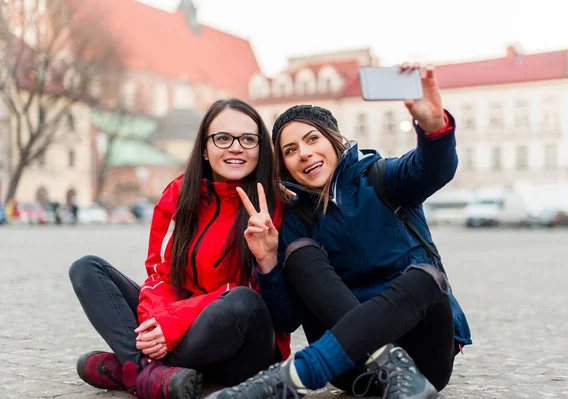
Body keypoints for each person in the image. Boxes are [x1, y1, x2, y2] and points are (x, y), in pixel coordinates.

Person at [208, 64, 472, 399]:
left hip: (423, 365)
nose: (304, 153)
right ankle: (373, 363)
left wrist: (434, 131)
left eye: (312, 139)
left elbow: (433, 169)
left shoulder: (382, 179)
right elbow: (286, 319)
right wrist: (269, 261)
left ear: (334, 141)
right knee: (300, 253)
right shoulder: (293, 220)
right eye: (290, 150)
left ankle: (289, 379)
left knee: (427, 278)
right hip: (351, 366)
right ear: (284, 164)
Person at [69, 99, 290, 399]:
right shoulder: (180, 194)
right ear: (204, 147)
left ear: (260, 148)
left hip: (242, 346)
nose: (236, 147)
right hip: (181, 329)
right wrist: (158, 323)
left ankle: (131, 371)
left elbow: (255, 296)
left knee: (242, 300)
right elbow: (160, 275)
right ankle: (151, 374)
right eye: (223, 138)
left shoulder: (274, 203)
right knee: (86, 268)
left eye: (248, 139)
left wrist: (173, 324)